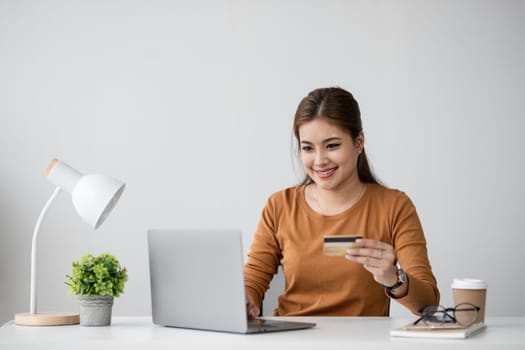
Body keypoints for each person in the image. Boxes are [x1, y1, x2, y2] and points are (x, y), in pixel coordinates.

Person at [244, 87, 440, 318]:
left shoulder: (394, 206)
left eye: (332, 145)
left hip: (362, 342)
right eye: (308, 148)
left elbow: (428, 305)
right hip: (292, 338)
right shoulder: (280, 206)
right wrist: (246, 299)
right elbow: (254, 279)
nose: (319, 160)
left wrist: (394, 279)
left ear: (358, 142)